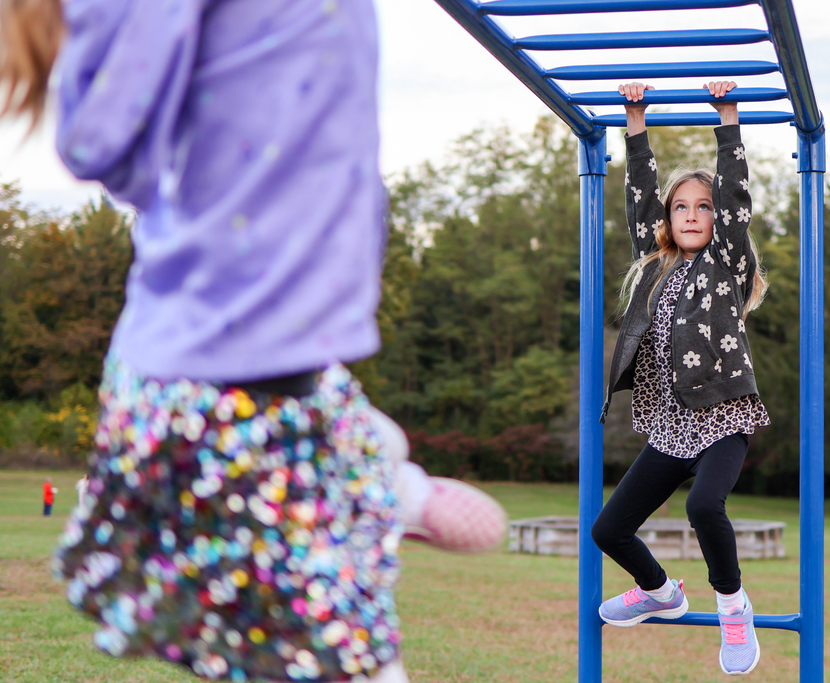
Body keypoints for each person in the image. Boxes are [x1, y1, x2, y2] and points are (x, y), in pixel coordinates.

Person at [0, 1, 505, 681]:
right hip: (208, 399)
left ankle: (388, 481)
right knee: (348, 662)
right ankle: (383, 487)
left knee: (331, 405)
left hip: (277, 359)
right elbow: (98, 140)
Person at [590, 81, 770, 676]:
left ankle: (733, 606)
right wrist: (635, 121)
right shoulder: (658, 265)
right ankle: (661, 592)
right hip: (670, 426)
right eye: (681, 207)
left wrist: (728, 118)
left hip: (722, 417)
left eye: (703, 207)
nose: (691, 216)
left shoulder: (727, 262)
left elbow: (738, 200)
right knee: (609, 529)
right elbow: (639, 200)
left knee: (703, 505)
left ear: (718, 219)